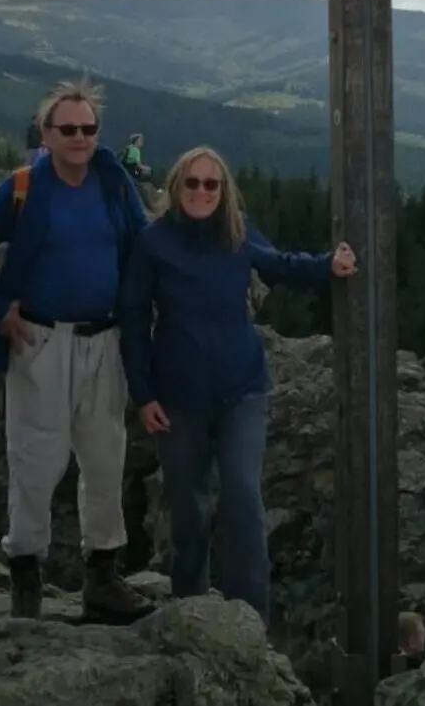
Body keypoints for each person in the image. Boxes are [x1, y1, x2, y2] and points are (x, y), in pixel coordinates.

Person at [118, 145, 357, 624]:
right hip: (177, 397)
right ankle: (190, 605)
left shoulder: (237, 235)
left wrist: (329, 265)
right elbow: (133, 320)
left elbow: (281, 265)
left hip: (242, 390)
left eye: (212, 184)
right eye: (193, 182)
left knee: (244, 495)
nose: (202, 191)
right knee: (187, 504)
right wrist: (143, 394)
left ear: (223, 191)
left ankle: (250, 617)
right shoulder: (151, 243)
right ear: (176, 186)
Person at [0, 80, 152, 624]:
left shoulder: (113, 181)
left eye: (89, 128)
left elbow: (143, 247)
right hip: (41, 340)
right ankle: (26, 573)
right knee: (37, 458)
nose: (80, 138)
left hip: (105, 339)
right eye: (68, 129)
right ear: (46, 134)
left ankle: (102, 575)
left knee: (105, 458)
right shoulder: (25, 186)